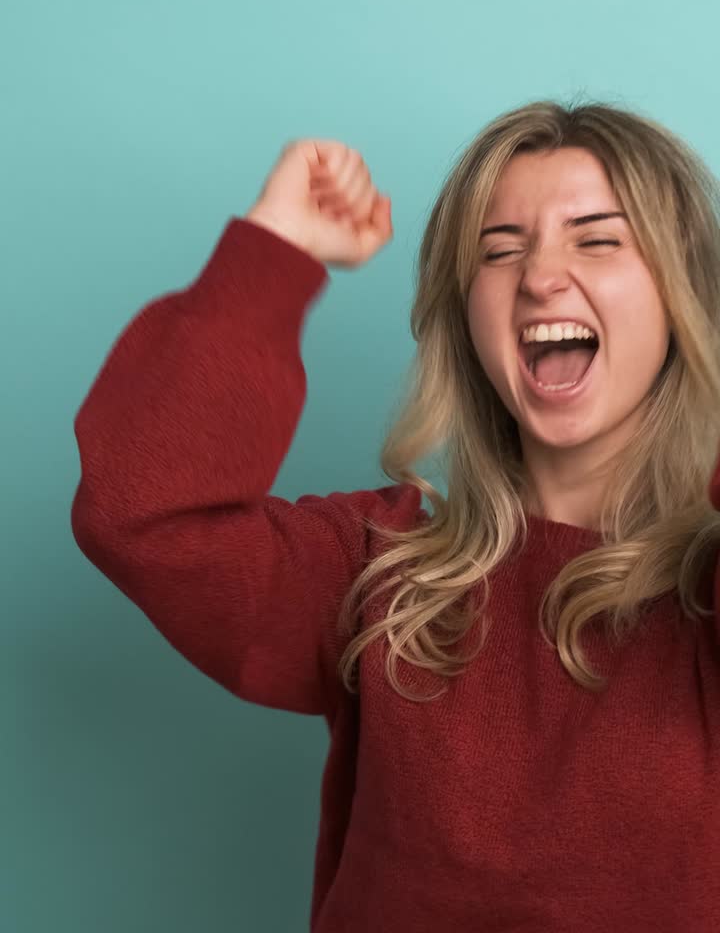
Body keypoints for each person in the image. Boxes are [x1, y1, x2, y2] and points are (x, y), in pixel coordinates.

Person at [71, 99, 720, 932]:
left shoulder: (701, 598)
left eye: (598, 238)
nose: (541, 276)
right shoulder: (378, 570)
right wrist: (273, 256)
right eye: (500, 249)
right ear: (468, 319)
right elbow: (141, 507)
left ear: (683, 297)